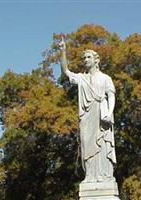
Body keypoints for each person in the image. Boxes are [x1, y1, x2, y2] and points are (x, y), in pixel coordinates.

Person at [59, 37, 117, 183]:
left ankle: (104, 176)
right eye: (84, 57)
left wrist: (109, 114)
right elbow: (66, 71)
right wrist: (63, 51)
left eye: (88, 57)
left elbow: (111, 96)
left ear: (96, 60)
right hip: (86, 116)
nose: (85, 59)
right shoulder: (81, 78)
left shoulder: (105, 78)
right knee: (86, 145)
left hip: (102, 114)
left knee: (103, 145)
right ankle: (90, 176)